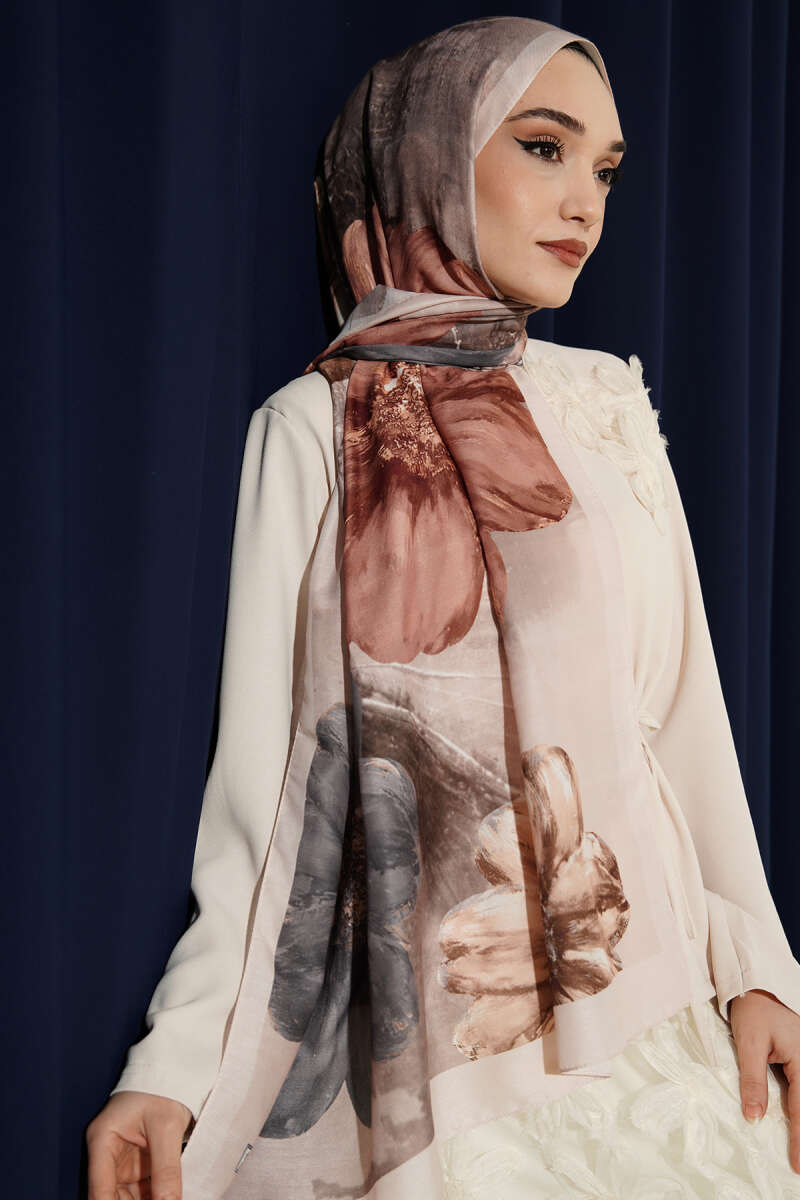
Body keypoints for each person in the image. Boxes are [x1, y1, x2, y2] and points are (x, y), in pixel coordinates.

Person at [87, 16, 800, 1199]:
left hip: (658, 1019)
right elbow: (274, 795)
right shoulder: (311, 429)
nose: (583, 203)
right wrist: (172, 1065)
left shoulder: (605, 406)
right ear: (425, 155)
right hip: (447, 1057)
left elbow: (680, 728)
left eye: (605, 170)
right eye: (543, 148)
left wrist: (762, 968)